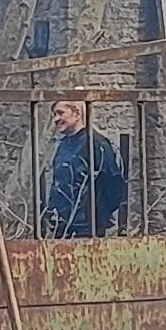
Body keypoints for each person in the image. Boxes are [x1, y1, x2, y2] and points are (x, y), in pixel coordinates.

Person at [44, 99, 127, 237]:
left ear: (76, 113)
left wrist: (97, 216)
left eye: (60, 113)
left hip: (87, 227)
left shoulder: (96, 143)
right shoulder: (63, 145)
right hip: (61, 225)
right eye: (54, 115)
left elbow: (114, 185)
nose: (56, 119)